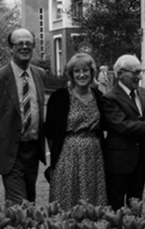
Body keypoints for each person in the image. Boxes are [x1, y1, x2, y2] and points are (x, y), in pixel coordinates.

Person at [0, 28, 47, 205]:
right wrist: (2, 134)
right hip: (10, 150)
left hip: (33, 149)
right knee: (19, 202)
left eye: (28, 44)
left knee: (30, 198)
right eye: (19, 43)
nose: (24, 47)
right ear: (11, 48)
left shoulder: (40, 75)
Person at [102, 54, 145, 210]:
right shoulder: (110, 98)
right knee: (116, 207)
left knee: (136, 206)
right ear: (120, 74)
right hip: (118, 163)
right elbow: (123, 126)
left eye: (140, 72)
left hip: (141, 161)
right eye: (135, 72)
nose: (139, 77)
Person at [44, 53, 107, 209]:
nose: (82, 75)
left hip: (94, 155)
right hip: (67, 154)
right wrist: (57, 156)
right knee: (66, 197)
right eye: (77, 71)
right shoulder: (59, 97)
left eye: (85, 70)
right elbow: (50, 132)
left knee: (93, 198)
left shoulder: (99, 97)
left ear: (92, 73)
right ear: (71, 74)